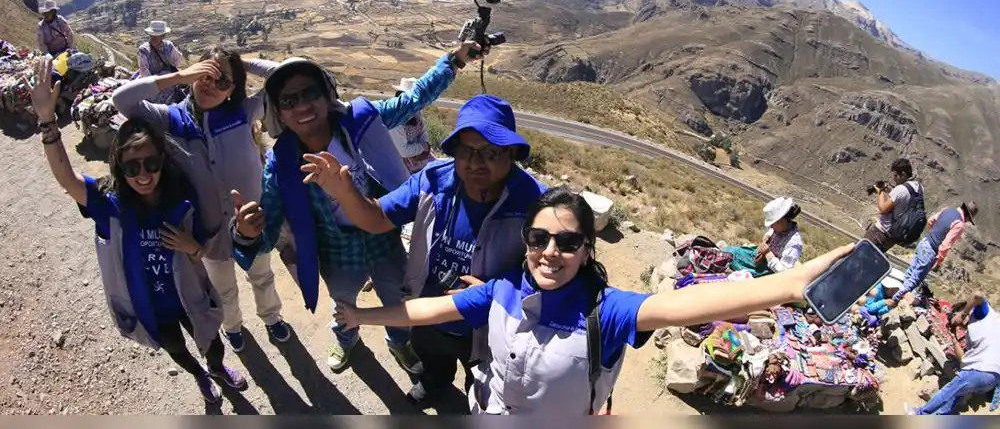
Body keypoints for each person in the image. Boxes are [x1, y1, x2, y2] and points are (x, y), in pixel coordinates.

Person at [330, 187, 855, 415]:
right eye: (538, 239)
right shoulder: (502, 290)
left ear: (587, 249)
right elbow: (425, 309)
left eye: (567, 242)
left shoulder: (607, 310)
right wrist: (360, 316)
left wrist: (788, 286)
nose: (549, 253)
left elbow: (691, 304)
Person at [230, 42, 481, 374]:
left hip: (383, 237)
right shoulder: (282, 163)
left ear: (326, 94)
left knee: (397, 296)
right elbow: (271, 229)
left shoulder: (360, 121)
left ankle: (399, 342)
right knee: (344, 302)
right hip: (338, 251)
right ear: (278, 112)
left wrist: (455, 59)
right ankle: (347, 340)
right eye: (289, 101)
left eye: (310, 93)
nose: (302, 105)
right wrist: (245, 234)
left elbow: (414, 98)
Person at [301, 94, 548, 406]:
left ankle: (480, 402)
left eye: (490, 152)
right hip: (427, 312)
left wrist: (497, 293)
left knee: (484, 378)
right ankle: (434, 384)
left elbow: (553, 272)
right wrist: (346, 193)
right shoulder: (433, 180)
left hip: (489, 324)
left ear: (511, 152)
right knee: (431, 358)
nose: (475, 163)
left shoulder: (536, 203)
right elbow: (376, 218)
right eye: (466, 151)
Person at [28, 57, 247, 403]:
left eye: (151, 163)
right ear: (119, 165)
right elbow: (67, 180)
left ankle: (218, 369)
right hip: (149, 305)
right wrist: (46, 121)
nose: (143, 174)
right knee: (177, 348)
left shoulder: (181, 199)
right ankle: (202, 378)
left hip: (189, 295)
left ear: (163, 159)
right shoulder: (111, 204)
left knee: (213, 341)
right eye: (131, 166)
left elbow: (203, 249)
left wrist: (192, 246)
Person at [112, 47, 290, 353]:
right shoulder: (170, 120)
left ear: (233, 89)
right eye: (207, 75)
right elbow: (121, 100)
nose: (212, 84)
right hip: (208, 232)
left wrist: (241, 62)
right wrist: (179, 76)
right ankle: (232, 326)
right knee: (223, 289)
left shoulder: (243, 112)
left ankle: (271, 316)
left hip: (251, 222)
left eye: (223, 81)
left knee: (262, 275)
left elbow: (283, 75)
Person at [908, 293, 1000, 415]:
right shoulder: (977, 334)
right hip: (990, 379)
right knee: (956, 395)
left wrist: (963, 314)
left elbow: (977, 296)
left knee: (948, 391)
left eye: (954, 318)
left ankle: (919, 414)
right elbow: (964, 362)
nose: (958, 325)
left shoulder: (982, 314)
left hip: (983, 371)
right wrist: (954, 340)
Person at [885, 201, 977, 309]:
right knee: (915, 279)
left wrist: (934, 233)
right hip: (931, 250)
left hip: (924, 242)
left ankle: (894, 294)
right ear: (967, 216)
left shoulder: (947, 209)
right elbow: (946, 244)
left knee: (910, 272)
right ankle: (895, 300)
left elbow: (931, 221)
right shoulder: (959, 224)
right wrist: (939, 259)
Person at [724, 197, 804, 277]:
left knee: (732, 257)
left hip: (770, 270)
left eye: (772, 223)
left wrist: (768, 253)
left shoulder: (793, 244)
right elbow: (772, 230)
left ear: (781, 220)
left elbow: (784, 272)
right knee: (732, 251)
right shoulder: (781, 227)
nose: (771, 227)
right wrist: (767, 235)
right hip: (762, 258)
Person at [864, 158, 923, 251]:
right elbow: (905, 201)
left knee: (859, 257)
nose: (894, 179)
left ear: (903, 174)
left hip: (880, 233)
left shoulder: (900, 189)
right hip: (892, 237)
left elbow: (883, 209)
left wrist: (880, 191)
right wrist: (892, 192)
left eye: (896, 175)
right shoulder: (918, 187)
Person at [388, 77, 436, 174]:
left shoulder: (416, 112)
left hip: (418, 154)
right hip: (402, 161)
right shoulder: (395, 120)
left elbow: (423, 131)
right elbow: (403, 151)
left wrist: (425, 145)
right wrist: (422, 147)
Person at [137, 21, 186, 104]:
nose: (154, 37)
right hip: (162, 81)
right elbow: (176, 60)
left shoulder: (144, 49)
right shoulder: (167, 45)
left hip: (156, 82)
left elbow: (144, 73)